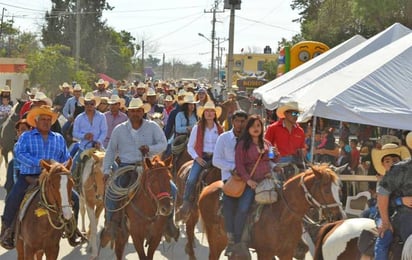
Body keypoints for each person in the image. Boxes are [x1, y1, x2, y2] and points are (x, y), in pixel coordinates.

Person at [0, 106, 85, 250]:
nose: (46, 122)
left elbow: (65, 157)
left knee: (75, 199)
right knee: (13, 198)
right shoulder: (26, 136)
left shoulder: (58, 138)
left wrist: (60, 166)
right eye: (43, 119)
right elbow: (19, 153)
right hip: (29, 177)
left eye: (48, 119)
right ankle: (7, 230)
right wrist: (38, 162)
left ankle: (72, 230)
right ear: (36, 121)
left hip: (54, 178)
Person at [100, 98, 178, 246]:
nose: (135, 113)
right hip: (126, 166)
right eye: (133, 111)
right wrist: (106, 170)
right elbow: (110, 151)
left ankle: (169, 222)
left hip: (148, 168)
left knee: (172, 189)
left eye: (138, 111)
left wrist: (149, 148)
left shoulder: (153, 127)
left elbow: (162, 144)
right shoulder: (120, 129)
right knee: (112, 191)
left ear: (143, 111)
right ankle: (111, 224)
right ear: (128, 112)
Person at [230, 115, 272, 251]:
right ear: (248, 128)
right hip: (250, 182)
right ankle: (236, 240)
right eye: (253, 126)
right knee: (243, 208)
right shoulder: (242, 144)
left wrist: (275, 155)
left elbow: (273, 159)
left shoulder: (266, 143)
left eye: (258, 126)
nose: (256, 128)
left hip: (267, 180)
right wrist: (248, 180)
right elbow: (239, 165)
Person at [176, 101, 223, 221]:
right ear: (203, 113)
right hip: (202, 157)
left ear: (215, 114)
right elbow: (190, 146)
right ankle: (186, 202)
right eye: (207, 111)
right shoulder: (197, 128)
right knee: (191, 179)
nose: (209, 113)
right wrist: (197, 158)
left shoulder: (220, 129)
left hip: (216, 158)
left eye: (211, 111)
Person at [212, 110, 248, 256]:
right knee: (229, 205)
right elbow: (216, 160)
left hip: (248, 178)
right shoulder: (224, 138)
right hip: (230, 179)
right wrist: (232, 167)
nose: (240, 124)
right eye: (238, 121)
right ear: (233, 121)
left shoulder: (250, 139)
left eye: (243, 121)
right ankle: (232, 239)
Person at [373, 140, 412, 260]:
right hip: (394, 214)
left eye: (394, 160)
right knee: (384, 237)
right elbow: (383, 196)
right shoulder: (401, 170)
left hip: (398, 211)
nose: (391, 163)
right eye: (387, 161)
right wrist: (400, 201)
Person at [71, 92, 107, 175]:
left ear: (95, 104)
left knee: (113, 165)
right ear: (84, 104)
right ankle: (72, 185)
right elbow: (74, 133)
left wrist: (99, 141)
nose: (89, 106)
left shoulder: (101, 116)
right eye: (87, 104)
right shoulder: (79, 118)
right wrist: (84, 136)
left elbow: (104, 131)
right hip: (84, 147)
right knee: (72, 167)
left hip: (98, 147)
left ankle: (113, 185)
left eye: (91, 103)